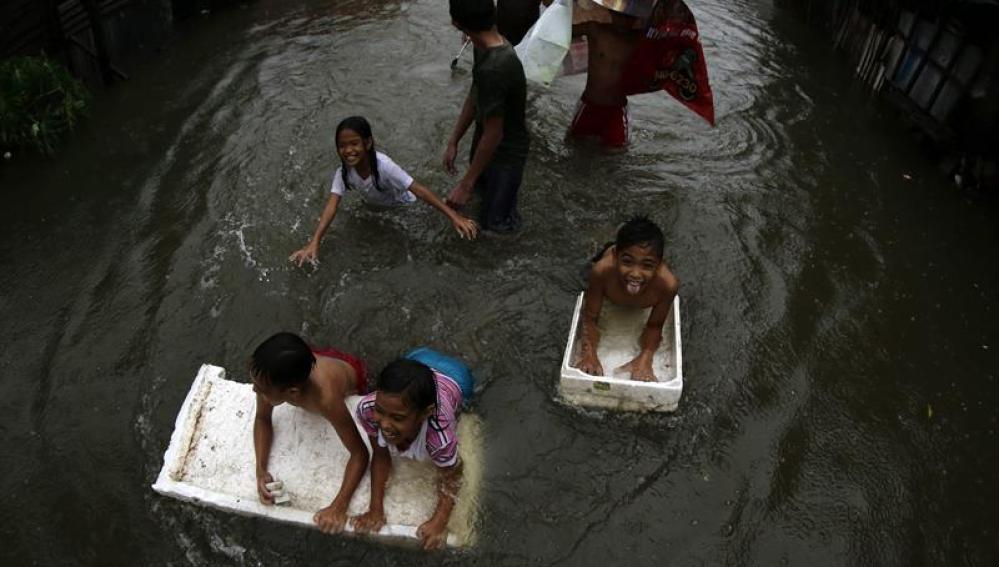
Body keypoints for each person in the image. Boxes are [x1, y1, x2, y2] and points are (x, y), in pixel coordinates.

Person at [290, 116, 478, 266]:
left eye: (354, 143)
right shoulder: (344, 173)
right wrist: (314, 241)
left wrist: (454, 217)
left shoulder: (384, 167)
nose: (348, 150)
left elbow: (419, 190)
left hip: (407, 207)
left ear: (368, 143)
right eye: (342, 146)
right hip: (377, 209)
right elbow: (331, 206)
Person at [350, 348, 475, 550]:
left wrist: (439, 521)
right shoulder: (367, 410)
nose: (385, 424)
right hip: (417, 360)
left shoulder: (439, 437)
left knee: (468, 412)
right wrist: (375, 509)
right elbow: (380, 456)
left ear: (425, 414)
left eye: (397, 418)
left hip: (456, 378)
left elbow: (453, 474)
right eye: (380, 411)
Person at [250, 332, 369, 533]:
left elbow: (360, 454)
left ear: (292, 393)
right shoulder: (269, 380)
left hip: (351, 373)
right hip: (316, 358)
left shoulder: (326, 399)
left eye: (260, 389)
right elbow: (262, 418)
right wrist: (260, 470)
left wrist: (338, 507)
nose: (254, 390)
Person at [444, 0, 530, 234]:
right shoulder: (483, 46)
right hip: (485, 143)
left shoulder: (496, 66)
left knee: (497, 227)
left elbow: (495, 133)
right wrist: (454, 140)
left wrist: (465, 184)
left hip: (507, 154)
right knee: (481, 206)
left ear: (456, 23)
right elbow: (476, 93)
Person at [578, 216, 679, 381]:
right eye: (627, 262)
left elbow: (654, 326)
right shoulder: (601, 272)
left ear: (659, 264)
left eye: (647, 265)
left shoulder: (667, 285)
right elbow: (590, 317)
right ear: (616, 257)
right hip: (605, 259)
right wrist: (589, 354)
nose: (635, 274)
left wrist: (645, 359)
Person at [568, 0, 656, 148]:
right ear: (610, 12)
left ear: (637, 19)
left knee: (617, 151)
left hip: (616, 111)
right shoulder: (595, 29)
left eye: (628, 17)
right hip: (589, 105)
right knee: (571, 144)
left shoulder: (639, 38)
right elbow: (563, 30)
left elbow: (666, 39)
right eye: (618, 15)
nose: (622, 21)